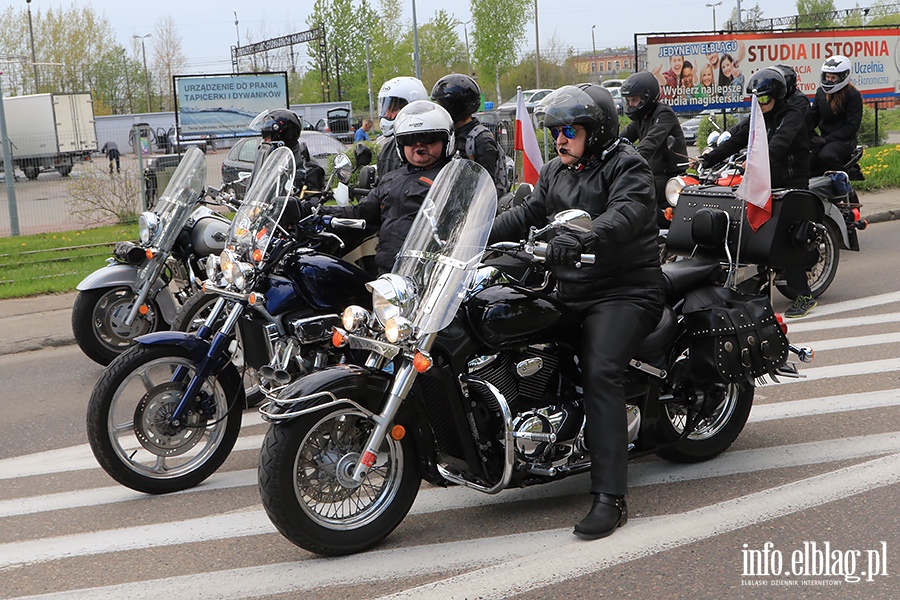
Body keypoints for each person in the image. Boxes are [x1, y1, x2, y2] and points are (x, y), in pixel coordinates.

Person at [489, 84, 665, 540]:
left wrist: (585, 235)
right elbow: (529, 211)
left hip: (625, 290)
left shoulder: (628, 165)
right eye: (555, 132)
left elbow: (627, 212)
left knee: (600, 368)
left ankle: (611, 498)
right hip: (569, 287)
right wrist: (478, 233)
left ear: (598, 130)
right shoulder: (554, 171)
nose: (560, 139)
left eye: (569, 130)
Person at [698, 67, 816, 318]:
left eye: (763, 98)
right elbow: (737, 138)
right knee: (753, 231)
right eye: (755, 98)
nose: (759, 104)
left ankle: (804, 296)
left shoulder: (791, 115)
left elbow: (777, 146)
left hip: (792, 182)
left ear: (777, 95)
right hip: (766, 181)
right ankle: (757, 286)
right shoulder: (758, 117)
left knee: (789, 236)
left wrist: (754, 163)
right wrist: (708, 159)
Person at [318, 100, 454, 274]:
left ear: (446, 141)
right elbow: (362, 213)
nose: (419, 145)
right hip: (389, 275)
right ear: (400, 144)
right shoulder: (393, 178)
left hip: (432, 274)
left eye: (428, 138)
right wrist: (316, 210)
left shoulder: (451, 178)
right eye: (410, 139)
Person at [620, 71, 688, 226]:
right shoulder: (641, 119)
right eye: (629, 100)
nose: (631, 104)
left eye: (635, 100)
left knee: (636, 196)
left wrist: (631, 159)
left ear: (647, 97)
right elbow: (622, 139)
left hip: (670, 177)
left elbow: (650, 143)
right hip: (653, 174)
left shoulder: (664, 114)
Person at [431, 73, 509, 198]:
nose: (438, 111)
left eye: (441, 105)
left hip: (478, 209)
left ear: (453, 106)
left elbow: (486, 186)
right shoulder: (448, 134)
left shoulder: (481, 140)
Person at [809, 55, 862, 176]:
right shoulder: (821, 92)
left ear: (842, 77)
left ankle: (844, 184)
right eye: (827, 77)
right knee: (808, 158)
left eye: (833, 77)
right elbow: (813, 116)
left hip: (844, 140)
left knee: (826, 156)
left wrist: (828, 139)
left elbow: (852, 126)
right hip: (824, 138)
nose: (829, 80)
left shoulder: (853, 95)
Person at [256, 108, 326, 192]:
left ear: (281, 137)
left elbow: (313, 199)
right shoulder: (275, 161)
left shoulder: (308, 167)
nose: (265, 141)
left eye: (268, 137)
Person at [374, 76, 429, 179]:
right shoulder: (387, 149)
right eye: (385, 108)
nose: (387, 114)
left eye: (394, 108)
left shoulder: (431, 144)